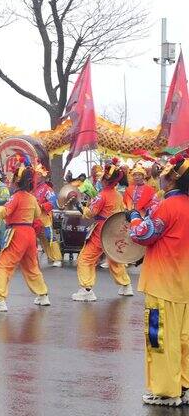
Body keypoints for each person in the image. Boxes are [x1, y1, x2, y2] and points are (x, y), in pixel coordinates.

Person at [127, 151, 189, 406]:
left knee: (159, 336)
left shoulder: (168, 205)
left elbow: (143, 235)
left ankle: (165, 391)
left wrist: (133, 219)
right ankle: (183, 385)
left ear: (172, 179)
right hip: (184, 283)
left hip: (163, 282)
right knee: (184, 338)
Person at [0, 159, 51, 312]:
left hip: (17, 233)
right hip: (30, 234)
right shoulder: (32, 198)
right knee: (32, 266)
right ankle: (43, 294)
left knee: (3, 265)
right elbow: (37, 215)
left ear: (16, 181)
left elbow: (3, 212)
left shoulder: (16, 197)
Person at [71, 158, 133, 302]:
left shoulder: (102, 195)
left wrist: (80, 206)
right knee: (114, 258)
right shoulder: (118, 195)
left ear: (106, 180)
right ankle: (126, 285)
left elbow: (90, 213)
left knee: (86, 258)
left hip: (101, 230)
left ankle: (86, 289)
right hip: (114, 229)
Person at [32, 164, 63, 267]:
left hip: (44, 217)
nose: (37, 176)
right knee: (35, 238)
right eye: (36, 174)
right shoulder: (32, 189)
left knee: (49, 237)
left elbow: (53, 201)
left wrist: (41, 206)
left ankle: (57, 258)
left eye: (39, 174)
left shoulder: (47, 189)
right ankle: (34, 259)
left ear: (43, 176)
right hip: (33, 217)